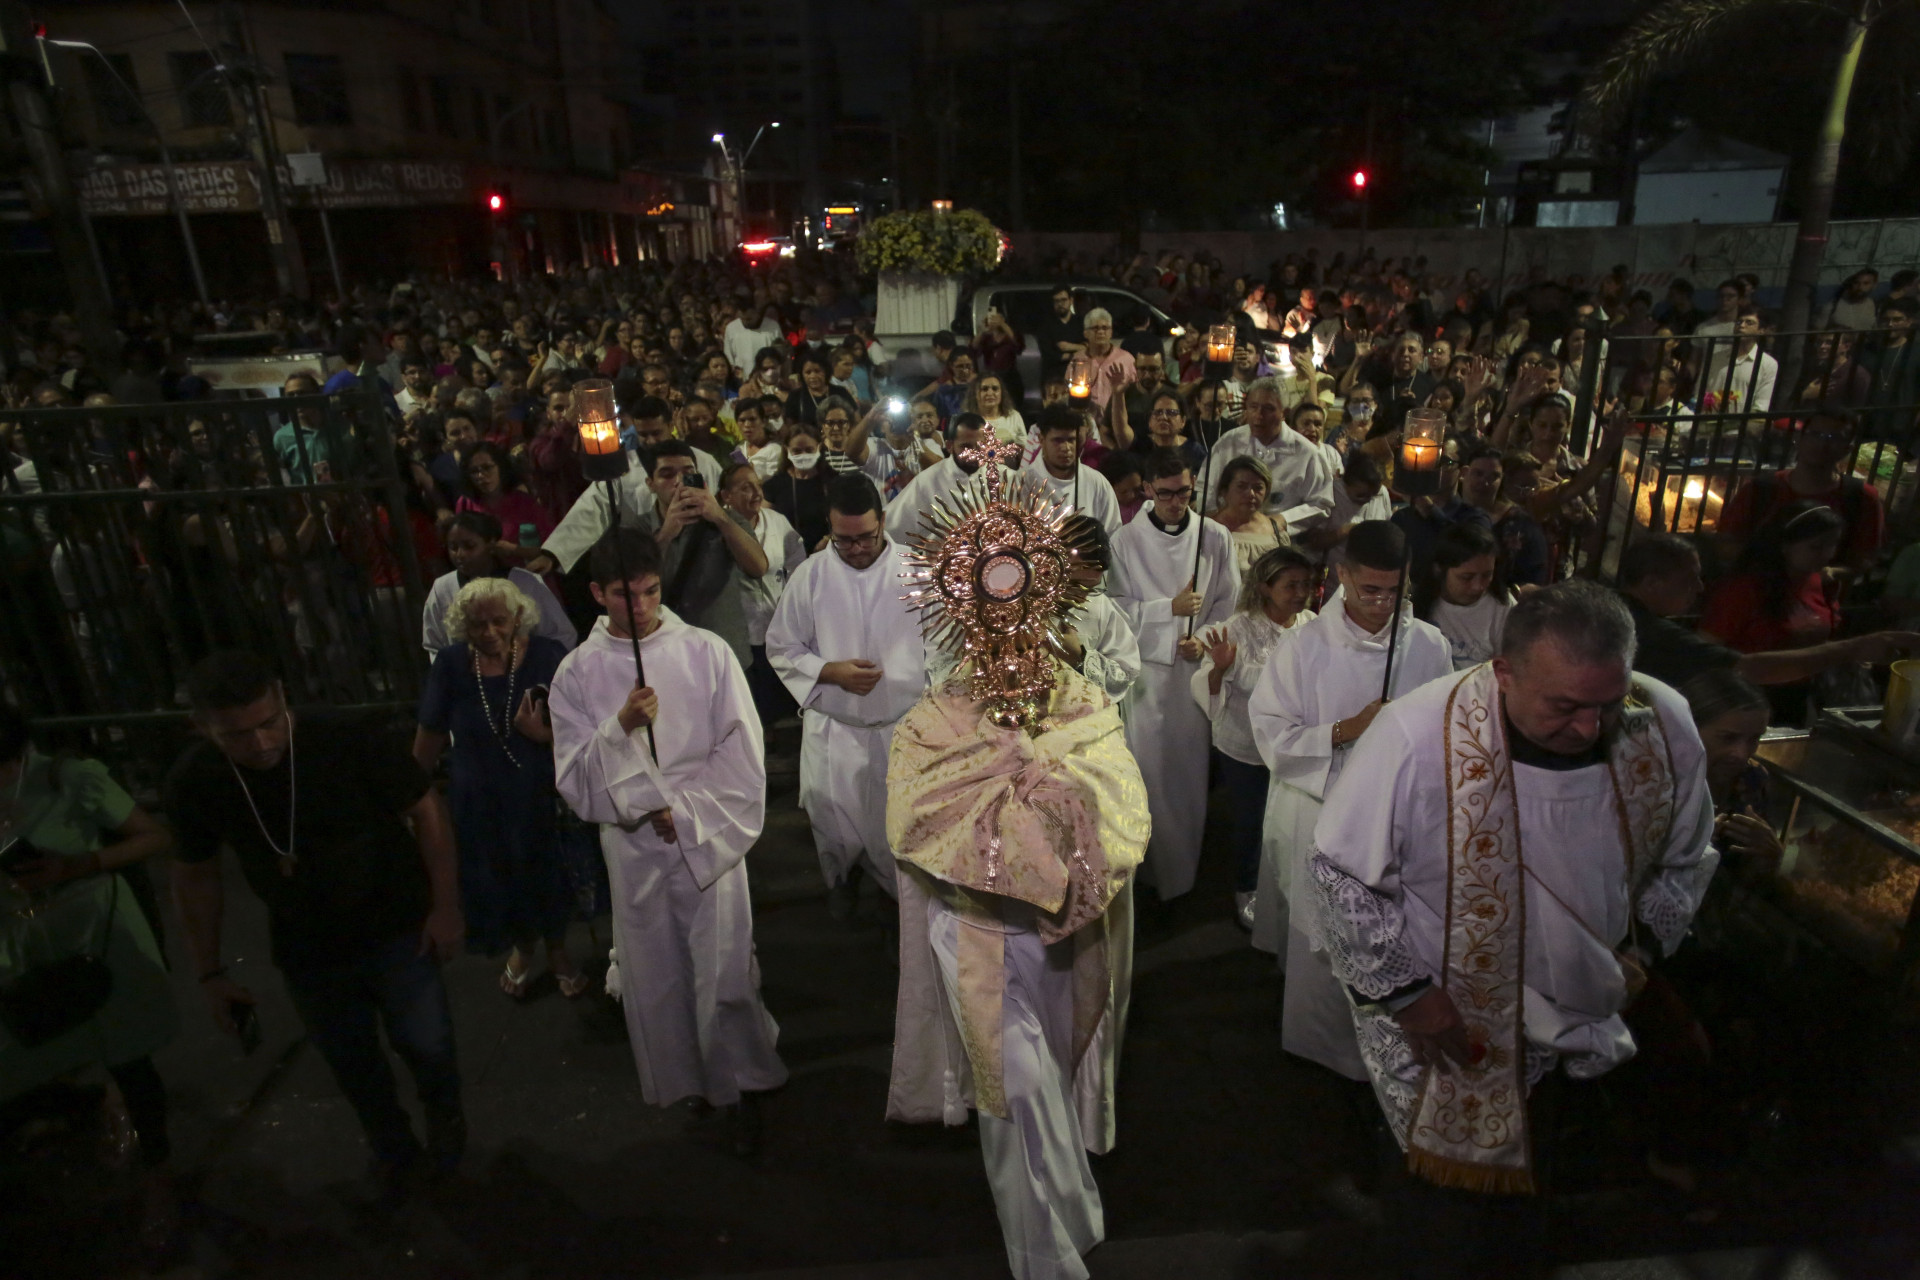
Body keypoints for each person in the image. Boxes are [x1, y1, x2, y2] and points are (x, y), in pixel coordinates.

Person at [1309, 583, 1717, 1275]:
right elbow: (1340, 873)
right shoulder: (1415, 735)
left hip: (1588, 999)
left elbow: (1687, 853)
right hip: (1450, 1011)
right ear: (1503, 672)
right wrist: (1409, 994)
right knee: (1442, 1208)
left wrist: (1643, 944)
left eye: (1607, 703)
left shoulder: (1662, 721)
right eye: (1564, 707)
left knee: (1541, 1175)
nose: (1589, 729)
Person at [884, 460, 1147, 1280]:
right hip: (975, 935)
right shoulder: (934, 719)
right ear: (963, 609)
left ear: (1048, 600)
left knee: (1053, 1083)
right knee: (1014, 1095)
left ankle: (1072, 1214)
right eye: (990, 606)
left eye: (1024, 603)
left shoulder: (1081, 700)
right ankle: (1042, 1261)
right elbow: (915, 821)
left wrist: (1054, 794)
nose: (1010, 626)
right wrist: (1014, 795)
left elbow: (1120, 804)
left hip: (1062, 930)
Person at [166, 651, 466, 1201]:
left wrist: (444, 907)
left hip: (395, 921)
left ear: (282, 699)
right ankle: (393, 1149)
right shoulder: (196, 780)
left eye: (268, 723)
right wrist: (208, 972)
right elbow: (195, 875)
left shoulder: (346, 738)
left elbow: (426, 810)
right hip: (306, 944)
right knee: (352, 1062)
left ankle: (447, 1130)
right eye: (237, 735)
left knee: (427, 1044)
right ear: (202, 727)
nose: (260, 743)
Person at [549, 529, 786, 1151]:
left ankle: (739, 1087)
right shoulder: (577, 673)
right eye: (625, 595)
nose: (642, 607)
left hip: (707, 831)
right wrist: (620, 727)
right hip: (633, 847)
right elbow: (572, 774)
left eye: (652, 591)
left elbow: (742, 748)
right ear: (597, 593)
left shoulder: (706, 652)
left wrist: (683, 810)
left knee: (722, 970)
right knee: (659, 973)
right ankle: (689, 1080)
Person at [1246, 520, 1452, 1080]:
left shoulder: (1428, 645)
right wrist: (1347, 729)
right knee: (1325, 943)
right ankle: (1322, 1051)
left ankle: (1396, 1060)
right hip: (1323, 810)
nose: (1382, 603)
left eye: (1394, 591)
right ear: (1342, 575)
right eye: (1370, 590)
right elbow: (1271, 732)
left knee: (1392, 940)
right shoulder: (1304, 646)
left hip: (1400, 817)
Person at [0, 704, 179, 1258]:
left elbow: (154, 836)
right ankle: (99, 1101)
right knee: (37, 1047)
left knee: (129, 1056)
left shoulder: (68, 777)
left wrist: (75, 865)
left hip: (94, 932)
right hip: (25, 938)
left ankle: (160, 1178)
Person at [412, 577, 587, 1000]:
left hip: (539, 792)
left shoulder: (547, 656)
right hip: (480, 799)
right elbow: (429, 735)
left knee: (549, 874)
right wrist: (407, 794)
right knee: (501, 878)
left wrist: (542, 734)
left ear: (517, 618)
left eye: (499, 621)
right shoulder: (451, 664)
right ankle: (523, 947)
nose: (489, 632)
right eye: (477, 624)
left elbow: (584, 728)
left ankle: (558, 950)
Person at [767, 474, 928, 915]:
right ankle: (842, 881)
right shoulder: (811, 575)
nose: (856, 549)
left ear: (883, 522)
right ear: (829, 529)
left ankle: (898, 907)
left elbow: (943, 648)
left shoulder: (918, 572)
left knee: (900, 825)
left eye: (866, 538)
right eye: (844, 540)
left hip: (903, 726)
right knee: (835, 820)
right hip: (837, 729)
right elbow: (782, 646)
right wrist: (829, 671)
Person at [1109, 448, 1240, 901]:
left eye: (1184, 493)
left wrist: (1201, 638)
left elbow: (1228, 602)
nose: (1175, 503)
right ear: (1147, 489)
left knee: (1188, 776)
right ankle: (1147, 876)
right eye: (1164, 494)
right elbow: (1115, 610)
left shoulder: (1215, 536)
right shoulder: (1125, 541)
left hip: (1192, 677)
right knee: (1148, 774)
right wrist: (1170, 611)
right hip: (1146, 677)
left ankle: (1184, 877)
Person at [1191, 545, 1316, 930]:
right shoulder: (1237, 629)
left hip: (1295, 745)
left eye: (1305, 585)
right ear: (1264, 587)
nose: (1300, 594)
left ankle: (1285, 886)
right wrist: (1220, 669)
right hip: (1246, 746)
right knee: (1253, 822)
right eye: (1290, 585)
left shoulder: (1312, 625)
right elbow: (1209, 689)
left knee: (1290, 821)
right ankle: (1246, 887)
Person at [1715, 411, 1885, 574]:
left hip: (1821, 592)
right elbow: (1726, 543)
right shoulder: (1760, 488)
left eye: (1835, 437)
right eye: (1815, 434)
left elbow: (1866, 557)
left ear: (1848, 448)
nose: (1822, 444)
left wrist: (1830, 573)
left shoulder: (1861, 496)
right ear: (1799, 439)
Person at [719, 462, 807, 728]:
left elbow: (798, 566)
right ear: (726, 495)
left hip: (777, 626)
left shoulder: (777, 522)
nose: (757, 493)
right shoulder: (718, 528)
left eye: (758, 486)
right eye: (746, 488)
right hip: (739, 635)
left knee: (780, 707)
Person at [421, 512, 575, 656]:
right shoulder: (442, 588)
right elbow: (434, 644)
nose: (460, 554)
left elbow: (562, 634)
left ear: (490, 544)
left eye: (470, 546)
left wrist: (534, 665)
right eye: (453, 548)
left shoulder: (525, 582)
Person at [1201, 378, 1335, 539]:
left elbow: (1322, 504)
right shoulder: (1228, 443)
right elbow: (1205, 489)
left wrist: (1282, 520)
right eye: (1253, 407)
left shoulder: (1308, 454)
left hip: (1280, 540)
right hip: (1227, 534)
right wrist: (1215, 521)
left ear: (1284, 413)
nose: (1259, 415)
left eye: (1268, 409)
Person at [1418, 522, 1512, 671]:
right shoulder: (1421, 605)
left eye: (1487, 575)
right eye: (1467, 577)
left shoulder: (1501, 605)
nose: (1478, 586)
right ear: (1439, 570)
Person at [1028, 404, 1122, 534]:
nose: (1066, 447)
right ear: (1041, 439)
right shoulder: (1021, 482)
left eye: (1071, 440)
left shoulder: (1097, 482)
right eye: (1058, 441)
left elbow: (1114, 535)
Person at [1208, 455, 1289, 570]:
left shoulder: (1276, 531)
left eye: (1258, 488)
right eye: (1241, 486)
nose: (1251, 494)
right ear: (1224, 491)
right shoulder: (1206, 528)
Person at [763, 426, 833, 551]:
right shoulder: (775, 484)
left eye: (809, 450)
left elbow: (848, 518)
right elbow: (764, 523)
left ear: (819, 447)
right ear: (787, 450)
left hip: (826, 552)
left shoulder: (833, 481)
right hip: (787, 553)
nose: (803, 455)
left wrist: (829, 539)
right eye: (797, 451)